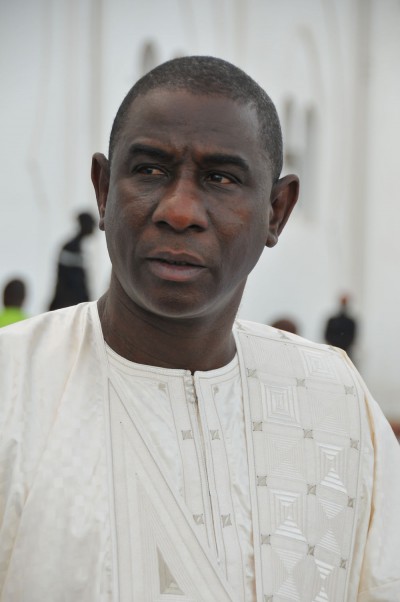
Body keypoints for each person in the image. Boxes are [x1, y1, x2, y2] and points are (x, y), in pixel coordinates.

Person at [0, 57, 399, 602]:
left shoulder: (338, 404)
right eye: (149, 170)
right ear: (103, 188)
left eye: (221, 178)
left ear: (276, 211)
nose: (181, 210)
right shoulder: (12, 387)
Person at [48, 211, 95, 310]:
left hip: (73, 303)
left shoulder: (78, 247)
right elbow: (73, 280)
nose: (94, 228)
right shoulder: (71, 248)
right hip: (68, 303)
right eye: (91, 224)